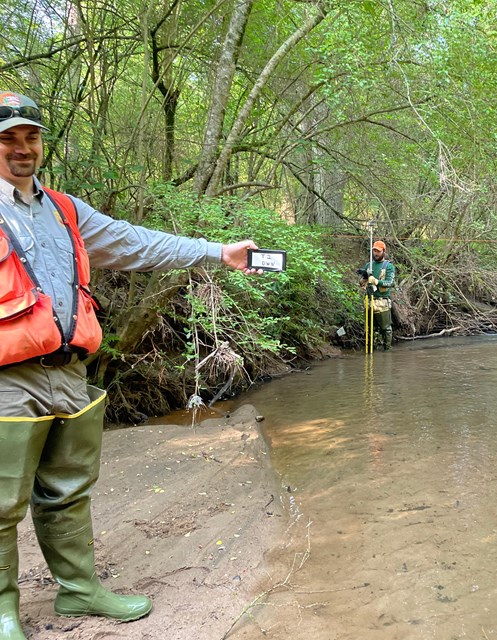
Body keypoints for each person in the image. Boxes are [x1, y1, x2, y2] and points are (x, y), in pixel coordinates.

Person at [0, 90, 263, 640]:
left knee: (69, 488)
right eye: (7, 138)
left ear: (42, 143)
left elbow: (135, 242)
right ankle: (3, 613)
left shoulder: (65, 209)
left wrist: (217, 252)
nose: (21, 149)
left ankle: (78, 591)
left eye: (30, 137)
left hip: (70, 372)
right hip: (7, 378)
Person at [359, 240, 396, 350]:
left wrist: (376, 281)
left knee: (386, 328)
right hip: (369, 300)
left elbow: (390, 283)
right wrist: (363, 280)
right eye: (374, 251)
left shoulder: (388, 266)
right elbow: (362, 281)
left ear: (383, 252)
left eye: (378, 251)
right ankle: (371, 349)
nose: (375, 253)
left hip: (382, 301)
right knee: (369, 328)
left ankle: (387, 350)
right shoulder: (368, 265)